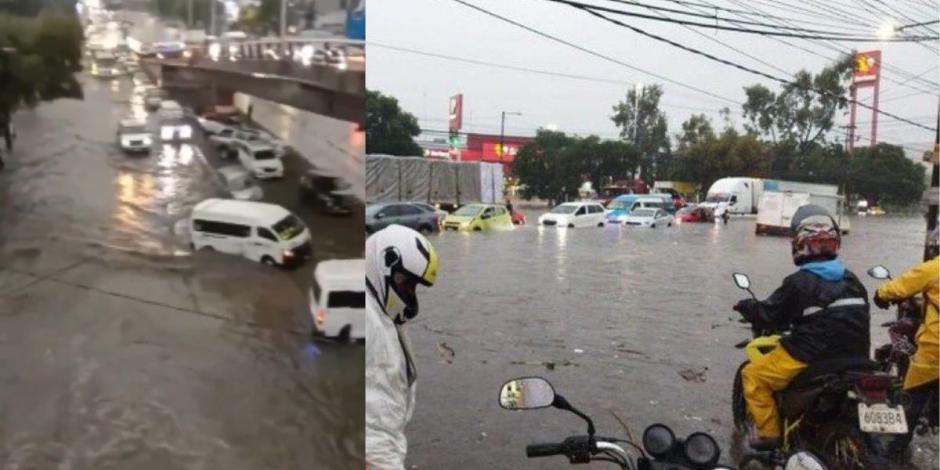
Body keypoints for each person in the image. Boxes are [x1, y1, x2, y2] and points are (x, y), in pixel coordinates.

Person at [733, 205, 870, 450]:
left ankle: (770, 435)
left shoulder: (799, 283)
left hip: (811, 355)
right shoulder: (853, 281)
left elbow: (768, 315)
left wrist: (747, 307)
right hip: (856, 357)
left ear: (800, 246)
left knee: (753, 376)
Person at [365, 224, 439, 469]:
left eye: (413, 287)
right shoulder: (366, 317)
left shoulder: (380, 313)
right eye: (407, 285)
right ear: (387, 264)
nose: (409, 295)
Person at [874, 227, 939, 461]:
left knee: (912, 400)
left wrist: (881, 295)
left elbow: (900, 285)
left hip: (935, 351)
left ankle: (894, 453)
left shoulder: (934, 268)